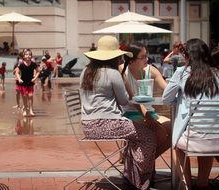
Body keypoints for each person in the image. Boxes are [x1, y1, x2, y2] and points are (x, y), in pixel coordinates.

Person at [80, 35, 160, 190]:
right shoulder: (113, 74)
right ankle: (136, 178)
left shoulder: (85, 71)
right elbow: (124, 101)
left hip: (87, 125)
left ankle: (131, 175)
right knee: (149, 135)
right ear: (114, 57)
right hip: (107, 124)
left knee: (137, 135)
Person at [162, 38, 219, 190]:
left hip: (194, 138)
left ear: (188, 57)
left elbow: (166, 99)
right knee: (206, 141)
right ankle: (202, 184)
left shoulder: (182, 73)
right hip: (217, 139)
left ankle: (187, 186)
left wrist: (181, 96)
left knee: (176, 145)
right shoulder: (217, 74)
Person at [120, 42, 171, 158]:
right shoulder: (122, 71)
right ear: (131, 60)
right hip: (130, 113)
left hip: (150, 113)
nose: (147, 59)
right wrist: (146, 116)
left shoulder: (151, 70)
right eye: (143, 57)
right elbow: (132, 99)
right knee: (160, 132)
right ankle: (140, 161)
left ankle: (146, 160)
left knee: (175, 130)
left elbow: (167, 89)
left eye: (146, 56)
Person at [15, 49, 40, 116]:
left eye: (29, 54)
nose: (28, 56)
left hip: (30, 82)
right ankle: (26, 110)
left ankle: (31, 110)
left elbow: (38, 71)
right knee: (24, 96)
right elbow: (17, 72)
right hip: (23, 83)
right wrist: (19, 79)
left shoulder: (33, 64)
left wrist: (34, 78)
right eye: (26, 54)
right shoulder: (21, 64)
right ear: (24, 56)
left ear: (31, 56)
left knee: (31, 96)